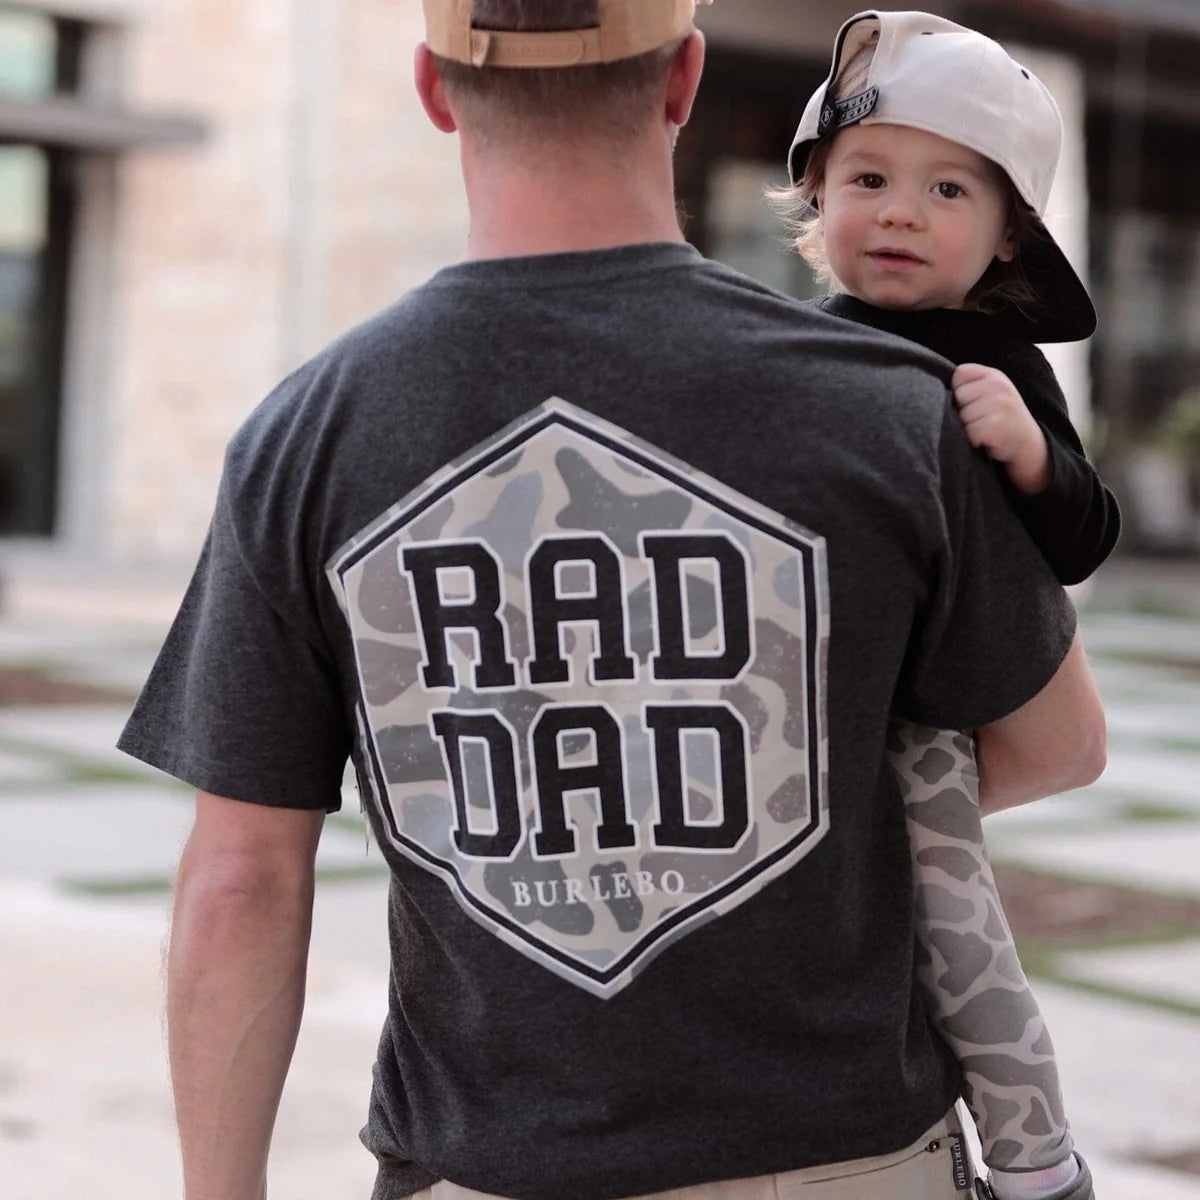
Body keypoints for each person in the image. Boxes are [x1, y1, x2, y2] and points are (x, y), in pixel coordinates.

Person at [117, 2, 1106, 1199]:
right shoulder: (896, 407)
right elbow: (1059, 745)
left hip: (488, 1165)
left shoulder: (309, 434)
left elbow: (241, 880)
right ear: (683, 80)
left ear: (433, 88)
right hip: (847, 1164)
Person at [777, 11, 1123, 1200]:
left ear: (1008, 234)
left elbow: (1086, 538)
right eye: (868, 179)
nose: (902, 214)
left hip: (925, 714)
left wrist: (1028, 453)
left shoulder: (1000, 361)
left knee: (958, 928)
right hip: (802, 701)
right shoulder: (795, 348)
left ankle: (1035, 1158)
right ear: (818, 195)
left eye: (948, 190)